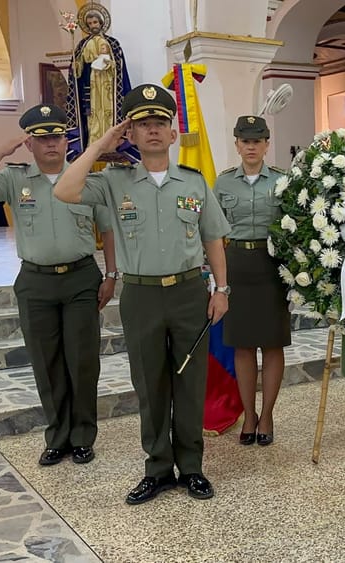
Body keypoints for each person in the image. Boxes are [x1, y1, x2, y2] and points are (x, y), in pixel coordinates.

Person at [54, 84, 231, 504]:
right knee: (149, 385)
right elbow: (63, 190)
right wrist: (101, 142)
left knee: (190, 384)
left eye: (160, 124)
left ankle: (191, 468)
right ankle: (157, 469)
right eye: (143, 124)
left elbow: (213, 238)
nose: (153, 131)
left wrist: (222, 288)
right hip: (141, 296)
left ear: (173, 134)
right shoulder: (113, 182)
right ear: (130, 134)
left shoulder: (193, 181)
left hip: (190, 292)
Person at [0, 104, 117, 467]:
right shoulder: (17, 179)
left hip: (80, 278)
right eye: (42, 138)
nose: (51, 144)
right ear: (29, 144)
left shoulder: (86, 180)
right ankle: (57, 436)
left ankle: (82, 436)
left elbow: (107, 229)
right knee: (46, 362)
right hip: (35, 281)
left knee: (82, 361)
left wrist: (111, 274)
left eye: (57, 136)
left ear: (67, 141)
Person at [214, 115, 289, 447]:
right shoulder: (223, 183)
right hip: (237, 265)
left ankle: (268, 414)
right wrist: (216, 279)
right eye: (245, 141)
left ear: (266, 145)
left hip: (272, 266)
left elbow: (293, 225)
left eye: (257, 141)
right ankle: (249, 413)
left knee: (272, 344)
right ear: (237, 145)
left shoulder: (284, 181)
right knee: (242, 345)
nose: (251, 147)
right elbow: (213, 233)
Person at [66, 5, 132, 158]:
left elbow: (120, 66)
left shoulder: (113, 43)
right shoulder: (82, 45)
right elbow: (78, 70)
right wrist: (76, 66)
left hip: (110, 87)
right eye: (90, 24)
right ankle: (93, 144)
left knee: (109, 115)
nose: (93, 26)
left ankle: (111, 144)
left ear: (101, 23)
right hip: (93, 86)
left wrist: (110, 64)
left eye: (95, 22)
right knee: (93, 116)